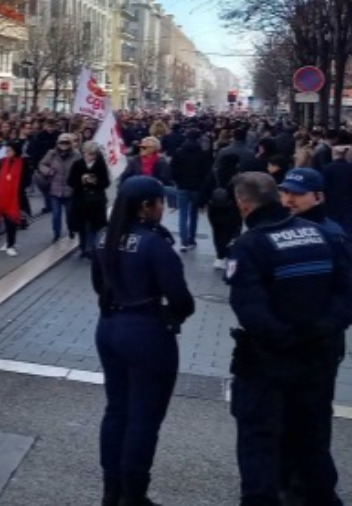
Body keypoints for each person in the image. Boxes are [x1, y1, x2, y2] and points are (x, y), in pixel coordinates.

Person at [226, 173, 352, 506]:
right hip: (316, 358)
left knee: (259, 442)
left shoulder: (250, 244)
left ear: (243, 203)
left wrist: (286, 338)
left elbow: (250, 310)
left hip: (268, 363)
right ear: (277, 199)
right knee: (311, 439)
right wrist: (321, 329)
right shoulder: (323, 235)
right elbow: (345, 293)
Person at [92, 176, 195, 506]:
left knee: (117, 410)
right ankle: (133, 495)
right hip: (146, 330)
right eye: (160, 202)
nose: (163, 208)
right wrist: (173, 315)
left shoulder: (104, 236)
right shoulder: (154, 244)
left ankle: (112, 491)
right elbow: (180, 298)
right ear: (148, 206)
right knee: (144, 418)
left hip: (109, 326)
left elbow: (98, 284)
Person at [170, 130, 213, 252]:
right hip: (197, 188)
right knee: (193, 214)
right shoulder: (203, 154)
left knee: (182, 214)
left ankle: (183, 242)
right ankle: (191, 239)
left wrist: (177, 182)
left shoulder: (179, 152)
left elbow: (173, 169)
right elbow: (207, 173)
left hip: (182, 186)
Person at [69, 141, 111, 259]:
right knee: (83, 226)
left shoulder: (100, 165)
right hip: (81, 200)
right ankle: (84, 248)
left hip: (96, 201)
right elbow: (70, 181)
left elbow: (106, 183)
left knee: (96, 226)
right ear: (84, 153)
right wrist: (81, 181)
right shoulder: (77, 164)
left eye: (93, 154)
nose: (90, 157)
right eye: (88, 154)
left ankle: (94, 248)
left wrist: (96, 181)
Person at [203, 153, 244, 272]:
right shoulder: (237, 177)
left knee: (217, 232)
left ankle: (219, 255)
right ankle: (226, 254)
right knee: (229, 232)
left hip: (214, 208)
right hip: (232, 208)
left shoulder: (214, 173)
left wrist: (201, 203)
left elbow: (205, 188)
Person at [40, 133, 80, 242]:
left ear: (70, 144)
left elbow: (81, 167)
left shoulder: (76, 155)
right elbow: (42, 164)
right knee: (56, 214)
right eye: (61, 142)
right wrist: (48, 171)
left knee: (69, 214)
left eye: (66, 142)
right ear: (57, 143)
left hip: (69, 190)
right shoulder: (52, 153)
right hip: (55, 189)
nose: (64, 145)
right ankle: (56, 233)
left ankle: (71, 229)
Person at [0, 139, 31, 257]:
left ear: (15, 151)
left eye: (9, 150)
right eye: (7, 150)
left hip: (15, 197)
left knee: (12, 221)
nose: (7, 152)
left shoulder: (23, 163)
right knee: (7, 220)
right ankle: (8, 241)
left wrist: (19, 188)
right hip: (4, 195)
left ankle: (11, 244)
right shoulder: (3, 162)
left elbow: (27, 179)